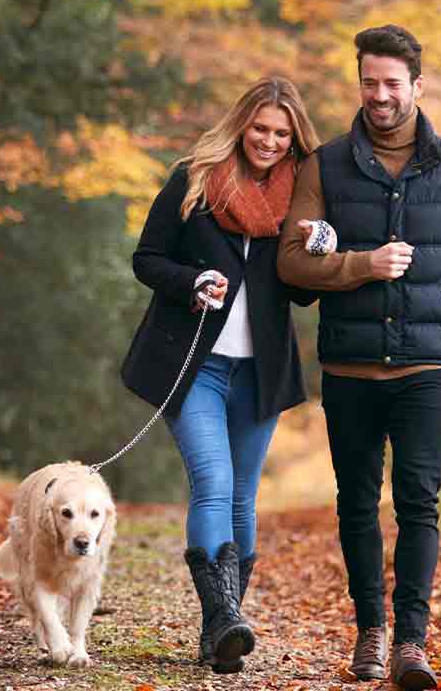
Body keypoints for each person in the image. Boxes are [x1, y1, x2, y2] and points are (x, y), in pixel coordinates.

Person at [276, 25, 441, 690]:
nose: (381, 96)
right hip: (349, 370)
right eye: (370, 83)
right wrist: (360, 265)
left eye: (393, 84)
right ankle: (371, 630)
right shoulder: (325, 167)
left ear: (417, 87)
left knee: (420, 502)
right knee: (358, 504)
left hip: (427, 370)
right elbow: (289, 263)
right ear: (359, 82)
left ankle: (412, 643)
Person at [120, 76, 322, 674]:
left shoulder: (302, 199)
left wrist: (315, 249)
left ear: (293, 140)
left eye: (281, 134)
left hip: (259, 372)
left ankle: (222, 628)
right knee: (213, 479)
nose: (268, 140)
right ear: (241, 125)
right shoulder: (195, 179)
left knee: (242, 495)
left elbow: (304, 297)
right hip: (194, 365)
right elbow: (147, 258)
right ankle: (224, 621)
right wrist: (191, 283)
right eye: (260, 128)